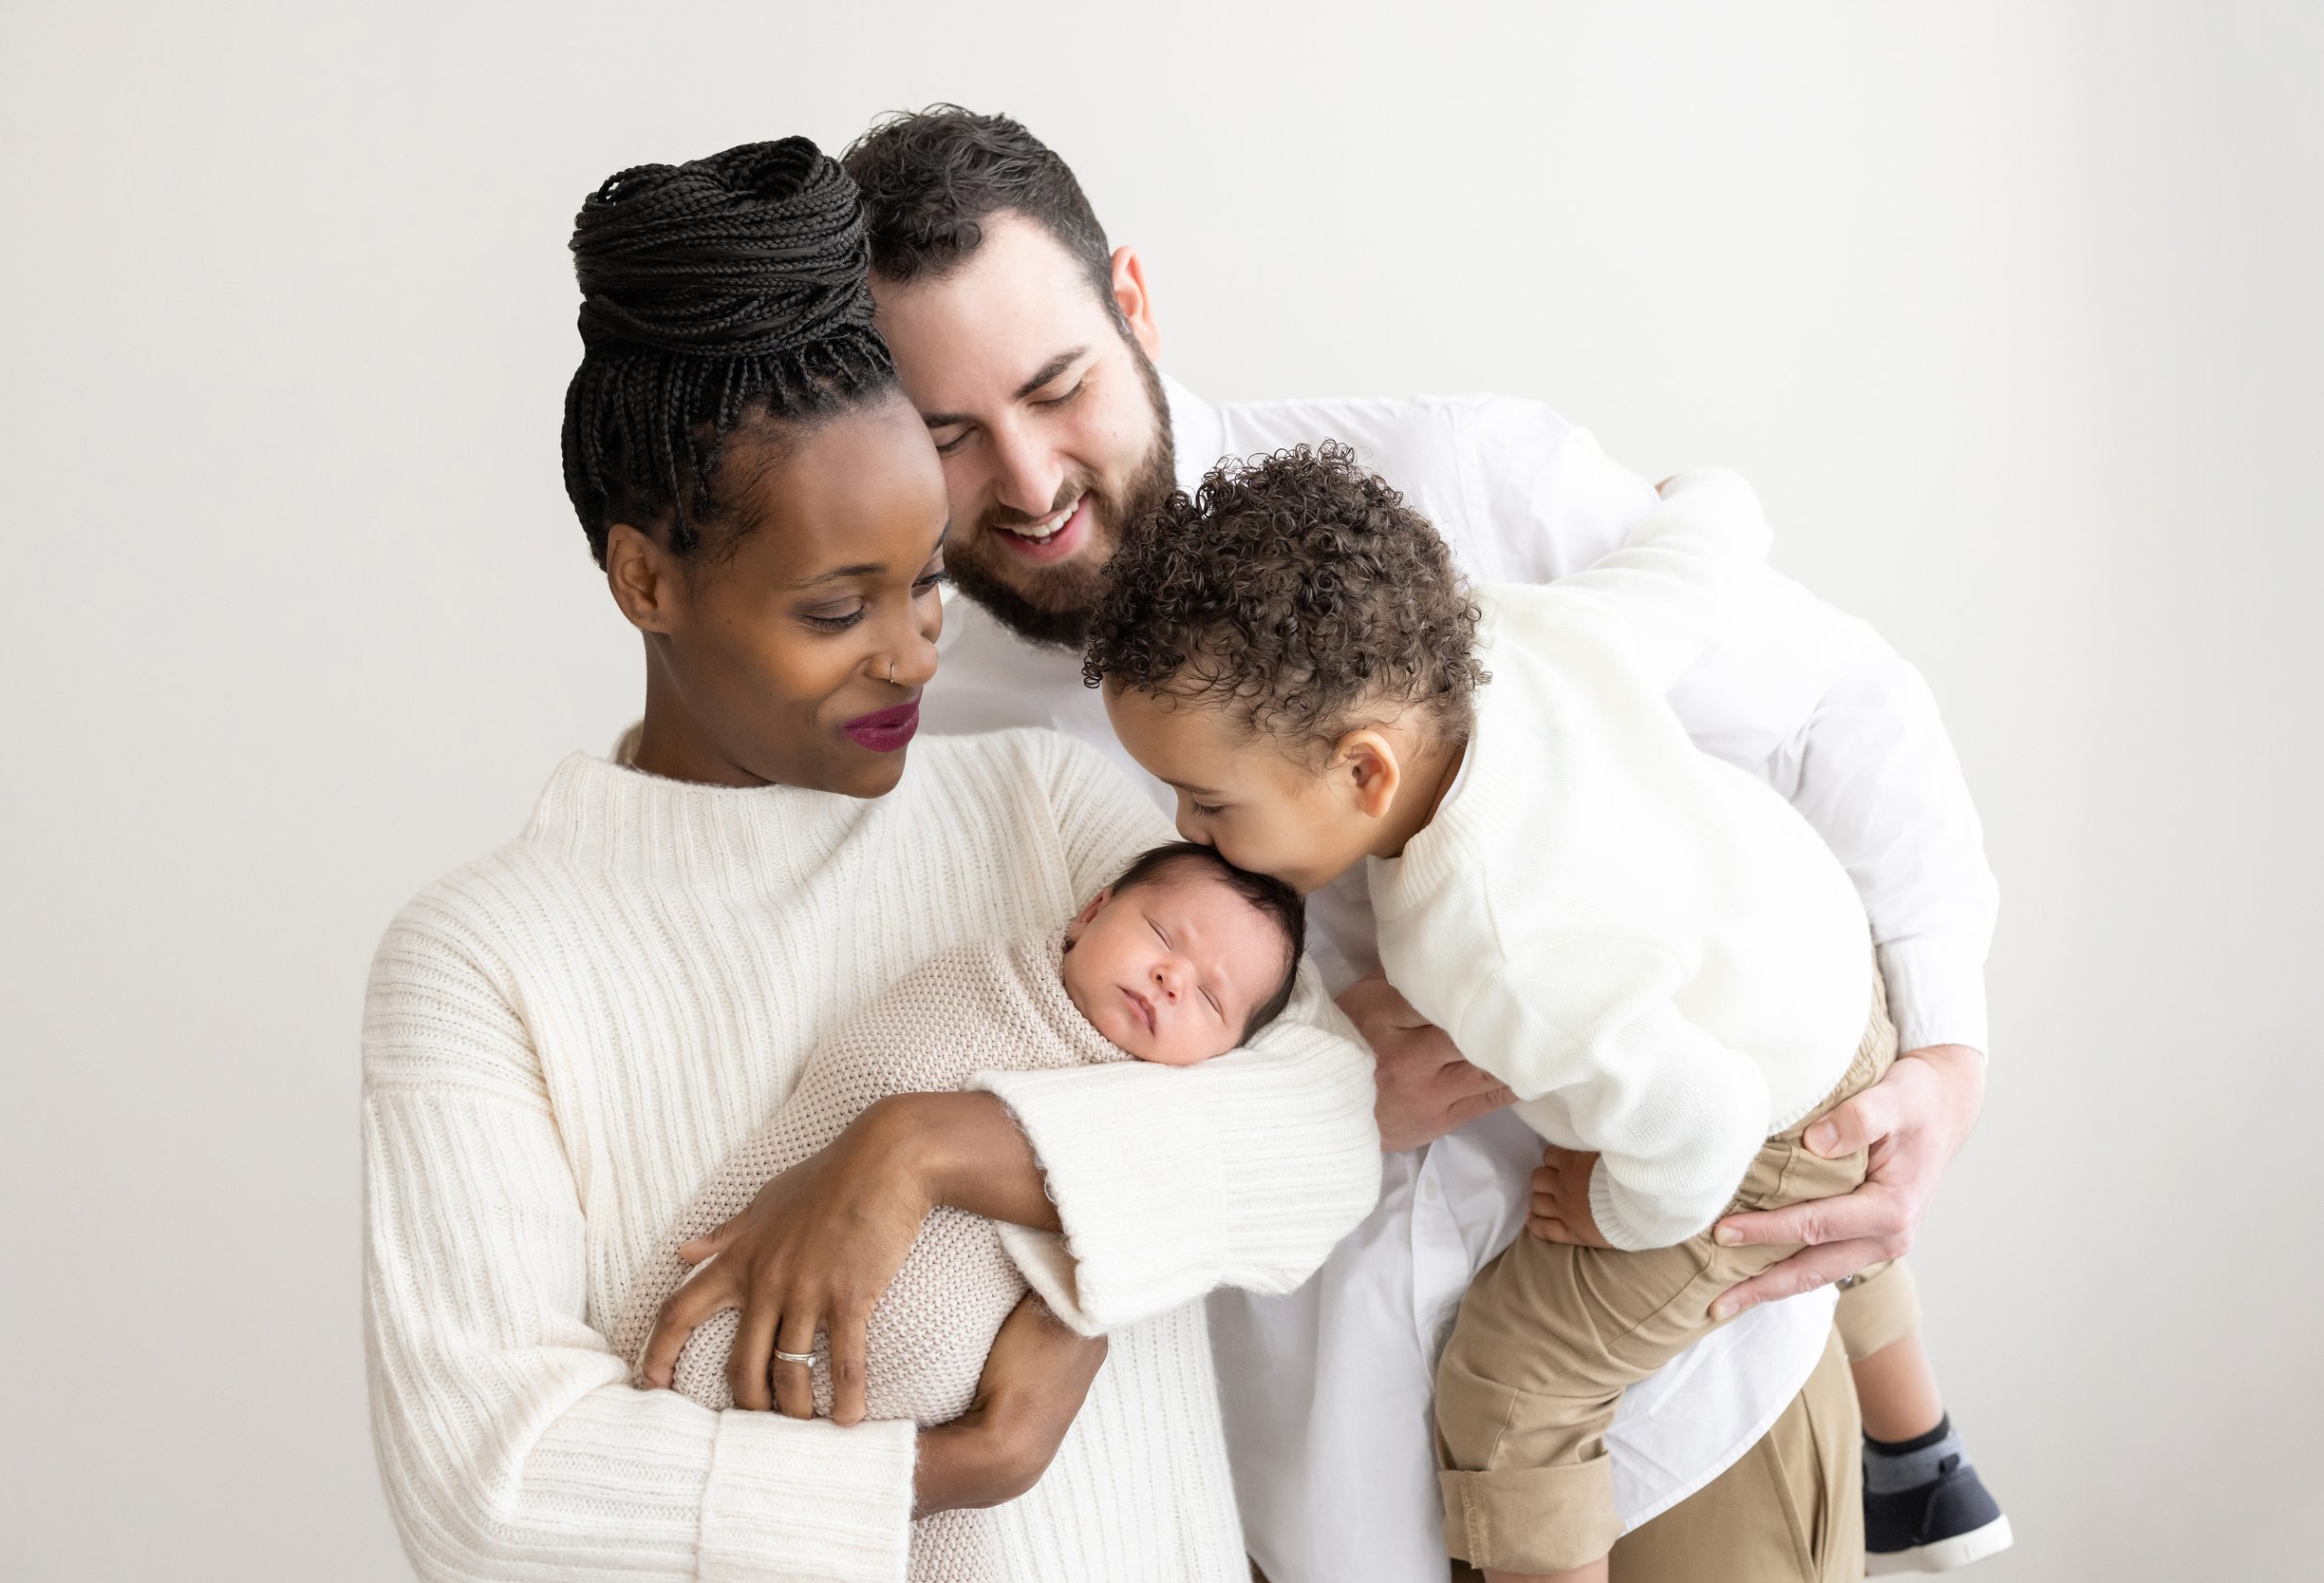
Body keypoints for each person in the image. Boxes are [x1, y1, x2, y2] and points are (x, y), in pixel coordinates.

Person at [842, 106, 2003, 1581]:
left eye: (1058, 388)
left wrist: (1947, 1057)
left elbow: (1840, 701)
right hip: (1306, 1493)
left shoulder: (1452, 480)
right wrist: (1314, 1101)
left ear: (1131, 301)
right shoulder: (920, 729)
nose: (1026, 480)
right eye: (948, 436)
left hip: (1680, 1419)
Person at [361, 136, 1378, 1583]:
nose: (912, 650)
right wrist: (948, 1468)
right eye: (839, 608)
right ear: (646, 576)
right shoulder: (483, 959)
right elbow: (491, 1485)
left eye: (920, 582)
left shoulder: (1038, 804)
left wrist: (927, 1144)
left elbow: (1328, 1121)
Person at [1084, 446, 2013, 1581]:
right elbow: (1697, 564)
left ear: (1363, 772)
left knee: (1510, 1378)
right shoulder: (1513, 641)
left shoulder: (1488, 944)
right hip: (1822, 970)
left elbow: (1706, 1116)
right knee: (1772, 1129)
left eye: (1212, 802)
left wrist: (1620, 1204)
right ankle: (1918, 1459)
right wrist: (1700, 492)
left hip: (1760, 1123)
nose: (1185, 830)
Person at [611, 840, 1309, 1580]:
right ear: (1091, 912)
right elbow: (867, 1082)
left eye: (1209, 999)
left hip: (924, 1448)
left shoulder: (1166, 1118)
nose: (1172, 979)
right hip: (744, 1413)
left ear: (1226, 1057)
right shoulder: (974, 988)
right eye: (1165, 937)